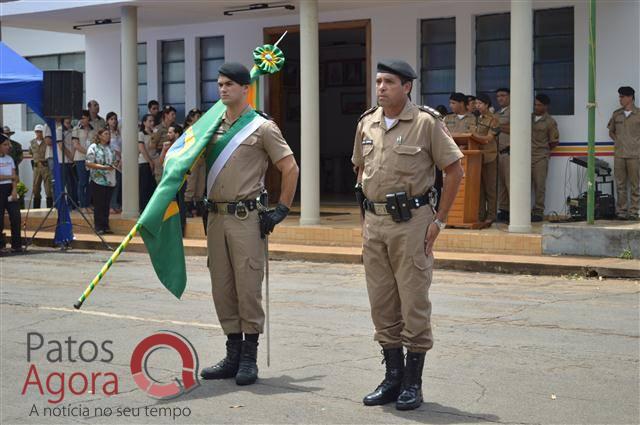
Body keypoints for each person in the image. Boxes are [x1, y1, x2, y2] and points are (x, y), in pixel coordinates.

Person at [352, 60, 463, 410]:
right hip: (375, 223)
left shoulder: (426, 123)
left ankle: (413, 383)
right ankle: (392, 378)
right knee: (382, 303)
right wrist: (363, 220)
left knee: (413, 301)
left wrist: (438, 221)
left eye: (389, 82)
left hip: (413, 222)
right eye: (379, 81)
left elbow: (454, 170)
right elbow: (360, 169)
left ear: (407, 87)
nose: (381, 87)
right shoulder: (366, 122)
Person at [199, 62, 299, 386]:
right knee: (222, 287)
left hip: (245, 217)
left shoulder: (262, 127)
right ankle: (231, 354)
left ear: (246, 88)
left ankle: (248, 357)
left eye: (229, 84)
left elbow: (290, 167)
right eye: (220, 84)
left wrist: (281, 209)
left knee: (247, 286)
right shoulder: (210, 127)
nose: (223, 89)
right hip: (215, 217)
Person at [608, 86, 639, 220]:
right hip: (619, 155)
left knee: (635, 185)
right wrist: (618, 141)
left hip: (635, 155)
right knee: (620, 184)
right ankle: (621, 211)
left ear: (630, 97)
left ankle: (634, 212)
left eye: (622, 96)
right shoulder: (617, 114)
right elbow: (611, 131)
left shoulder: (639, 114)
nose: (620, 99)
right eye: (619, 96)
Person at [470, 94, 499, 226]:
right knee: (479, 188)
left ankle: (491, 215)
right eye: (476, 103)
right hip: (476, 158)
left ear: (487, 104)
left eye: (480, 103)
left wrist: (474, 136)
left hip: (489, 156)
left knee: (490, 188)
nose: (477, 106)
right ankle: (480, 215)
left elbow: (489, 138)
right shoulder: (474, 118)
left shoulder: (493, 119)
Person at [531, 94, 559, 222]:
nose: (536, 107)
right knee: (522, 185)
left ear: (546, 106)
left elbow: (554, 141)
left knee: (539, 185)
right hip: (525, 157)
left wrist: (544, 151)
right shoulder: (528, 117)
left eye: (540, 105)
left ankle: (538, 211)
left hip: (540, 157)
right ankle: (522, 211)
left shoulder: (550, 122)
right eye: (535, 104)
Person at [86, 128, 117, 234]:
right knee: (99, 204)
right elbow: (89, 163)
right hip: (98, 179)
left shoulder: (110, 148)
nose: (108, 136)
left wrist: (115, 164)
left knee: (106, 204)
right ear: (99, 136)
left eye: (109, 134)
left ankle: (105, 225)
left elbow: (114, 161)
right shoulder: (93, 147)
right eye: (105, 134)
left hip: (109, 179)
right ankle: (98, 226)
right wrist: (103, 167)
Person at [159, 124, 187, 232]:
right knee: (169, 204)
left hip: (179, 177)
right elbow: (160, 162)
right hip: (168, 177)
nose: (168, 134)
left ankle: (181, 228)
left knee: (180, 204)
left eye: (170, 132)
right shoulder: (166, 145)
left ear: (177, 134)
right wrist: (164, 150)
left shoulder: (183, 145)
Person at [0, 134, 23, 253]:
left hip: (9, 188)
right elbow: (10, 175)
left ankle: (16, 245)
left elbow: (15, 177)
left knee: (16, 217)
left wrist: (14, 190)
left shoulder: (9, 159)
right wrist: (10, 176)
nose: (8, 147)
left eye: (8, 144)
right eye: (5, 145)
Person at [183, 108, 206, 217]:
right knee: (191, 185)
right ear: (191, 118)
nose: (200, 118)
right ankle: (187, 207)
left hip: (202, 159)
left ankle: (199, 206)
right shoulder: (188, 130)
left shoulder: (202, 129)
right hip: (192, 160)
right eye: (197, 116)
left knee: (201, 185)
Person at [72, 110, 95, 212]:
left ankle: (88, 203)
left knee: (91, 182)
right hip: (80, 158)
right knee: (82, 182)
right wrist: (88, 152)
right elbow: (76, 145)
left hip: (92, 159)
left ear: (88, 118)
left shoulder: (93, 129)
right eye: (80, 118)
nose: (82, 120)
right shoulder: (76, 129)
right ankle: (82, 205)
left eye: (84, 118)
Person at [495, 88, 511, 223]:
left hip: (509, 152)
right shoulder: (498, 113)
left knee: (510, 183)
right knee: (501, 185)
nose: (500, 98)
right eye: (498, 96)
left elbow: (516, 128)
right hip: (498, 153)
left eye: (503, 95)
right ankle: (504, 210)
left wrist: (498, 126)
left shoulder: (514, 110)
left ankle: (515, 212)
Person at [29, 124, 52, 209]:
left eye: (40, 131)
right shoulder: (32, 142)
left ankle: (49, 208)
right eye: (37, 131)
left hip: (45, 166)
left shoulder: (46, 142)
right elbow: (31, 152)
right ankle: (36, 209)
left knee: (48, 189)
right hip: (36, 167)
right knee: (36, 188)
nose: (38, 133)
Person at [56, 118, 78, 208]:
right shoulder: (59, 130)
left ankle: (73, 203)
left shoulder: (74, 129)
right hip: (63, 161)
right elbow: (61, 146)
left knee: (73, 183)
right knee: (64, 183)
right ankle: (62, 205)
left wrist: (74, 157)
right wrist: (71, 157)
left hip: (73, 160)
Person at [138, 114, 157, 211]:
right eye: (149, 121)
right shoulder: (141, 134)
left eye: (153, 121)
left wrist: (154, 136)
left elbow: (153, 147)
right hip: (144, 162)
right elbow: (141, 148)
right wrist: (149, 161)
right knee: (144, 186)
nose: (152, 123)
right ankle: (143, 208)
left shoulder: (154, 133)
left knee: (152, 186)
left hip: (154, 160)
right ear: (144, 122)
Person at [106, 112, 122, 214]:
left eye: (115, 119)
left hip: (119, 160)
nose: (114, 121)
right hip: (110, 160)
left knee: (117, 184)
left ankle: (115, 204)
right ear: (107, 120)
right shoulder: (105, 132)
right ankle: (109, 205)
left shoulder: (118, 132)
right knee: (110, 184)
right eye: (111, 119)